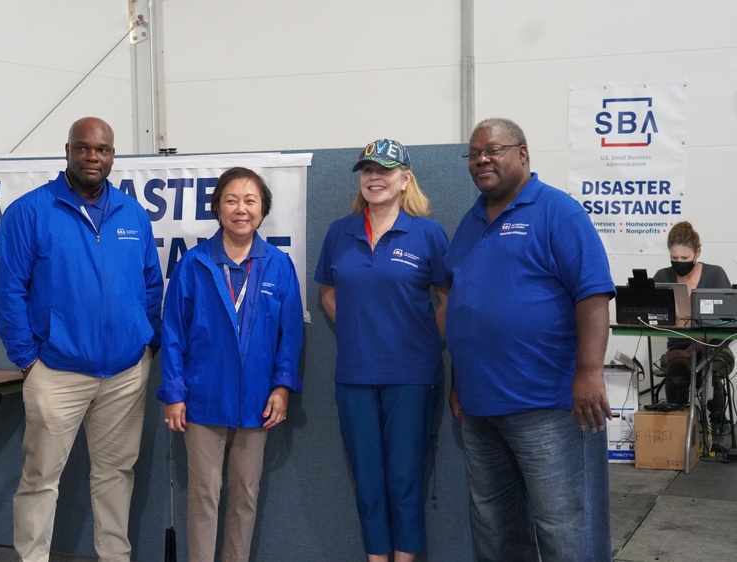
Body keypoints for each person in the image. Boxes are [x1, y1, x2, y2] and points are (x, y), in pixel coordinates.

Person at [0, 116, 163, 562]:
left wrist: (144, 344)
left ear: (113, 155)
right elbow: (8, 292)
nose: (93, 157)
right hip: (57, 373)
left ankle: (115, 557)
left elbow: (150, 285)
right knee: (40, 480)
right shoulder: (30, 212)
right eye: (83, 148)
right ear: (67, 150)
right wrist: (29, 361)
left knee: (116, 474)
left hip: (125, 374)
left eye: (102, 150)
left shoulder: (132, 213)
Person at [445, 118, 616, 562]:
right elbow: (465, 308)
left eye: (494, 149)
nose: (482, 158)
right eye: (475, 153)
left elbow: (593, 294)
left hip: (548, 404)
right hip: (482, 409)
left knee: (564, 527)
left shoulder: (558, 212)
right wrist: (459, 380)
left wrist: (590, 371)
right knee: (494, 526)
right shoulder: (469, 223)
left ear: (522, 153)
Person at [157, 166, 303, 562]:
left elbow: (290, 335)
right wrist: (174, 394)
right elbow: (172, 333)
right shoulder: (194, 264)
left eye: (250, 201)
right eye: (232, 200)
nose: (241, 209)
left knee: (245, 496)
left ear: (263, 210)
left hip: (258, 401)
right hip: (203, 399)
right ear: (218, 208)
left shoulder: (278, 265)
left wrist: (282, 387)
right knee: (204, 496)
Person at [314, 139, 449, 562]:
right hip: (354, 375)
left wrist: (422, 339)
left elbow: (447, 300)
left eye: (386, 170)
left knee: (405, 479)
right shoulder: (340, 231)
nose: (375, 177)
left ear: (405, 178)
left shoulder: (428, 233)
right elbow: (328, 294)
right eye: (368, 170)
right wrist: (360, 330)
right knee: (368, 482)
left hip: (411, 376)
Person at [653, 221, 734, 426]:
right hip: (677, 350)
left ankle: (718, 429)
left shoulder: (715, 275)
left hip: (715, 348)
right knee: (678, 374)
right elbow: (654, 319)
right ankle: (678, 431)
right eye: (674, 258)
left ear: (698, 252)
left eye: (685, 258)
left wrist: (691, 350)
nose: (679, 262)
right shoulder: (662, 277)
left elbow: (726, 324)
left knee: (711, 374)